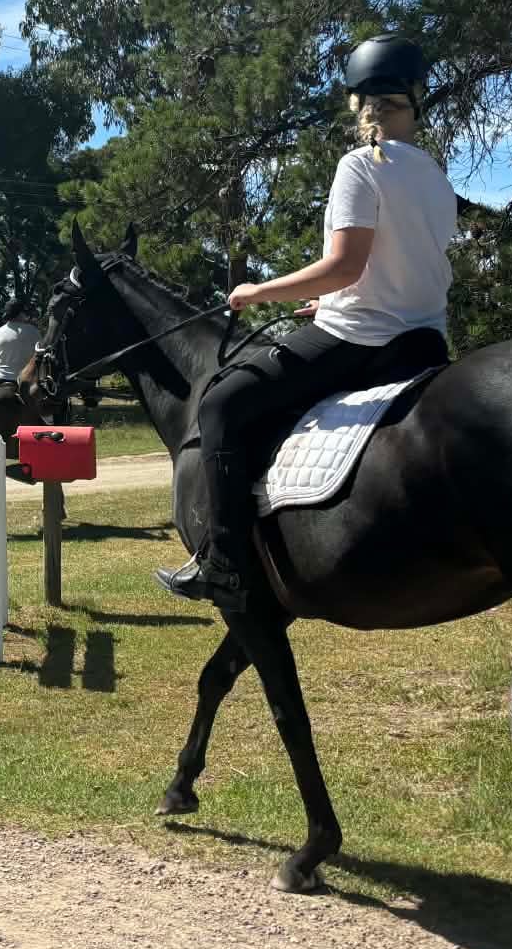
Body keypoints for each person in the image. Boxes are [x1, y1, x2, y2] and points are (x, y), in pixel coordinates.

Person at [156, 34, 456, 604]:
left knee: (221, 404)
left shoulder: (360, 166)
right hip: (423, 343)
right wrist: (332, 298)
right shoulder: (436, 176)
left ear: (356, 104)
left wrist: (256, 290)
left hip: (363, 341)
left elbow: (345, 266)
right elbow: (407, 264)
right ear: (416, 99)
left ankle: (223, 561)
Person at [0, 299, 41, 390]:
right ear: (20, 314)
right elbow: (40, 356)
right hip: (25, 381)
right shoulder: (33, 331)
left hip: (0, 380)